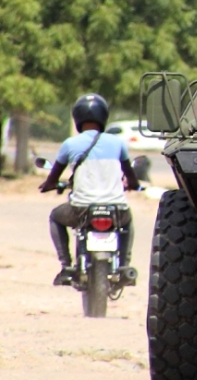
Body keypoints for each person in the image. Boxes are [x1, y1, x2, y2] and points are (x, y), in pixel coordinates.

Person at [39, 94, 140, 286]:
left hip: (81, 210)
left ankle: (66, 265)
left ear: (77, 118)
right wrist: (133, 185)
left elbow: (53, 177)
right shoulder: (118, 143)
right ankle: (125, 266)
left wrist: (49, 185)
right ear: (104, 117)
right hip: (116, 210)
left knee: (55, 216)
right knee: (128, 221)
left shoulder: (70, 144)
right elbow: (131, 175)